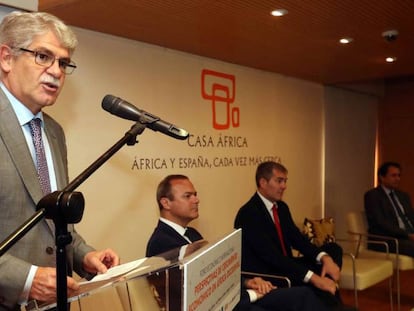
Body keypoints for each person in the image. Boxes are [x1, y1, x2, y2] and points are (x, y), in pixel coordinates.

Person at [0, 11, 119, 310]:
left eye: (63, 63)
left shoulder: (53, 132)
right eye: (43, 56)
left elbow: (53, 223)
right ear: (6, 58)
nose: (56, 71)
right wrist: (26, 279)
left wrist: (84, 256)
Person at [146, 174, 330, 311]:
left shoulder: (192, 233)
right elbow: (193, 297)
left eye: (195, 194)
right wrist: (250, 295)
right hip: (223, 305)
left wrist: (249, 282)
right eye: (188, 196)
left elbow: (214, 275)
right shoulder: (161, 244)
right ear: (166, 203)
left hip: (234, 298)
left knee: (303, 295)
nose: (196, 200)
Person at [234, 161, 350, 310]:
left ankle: (326, 293)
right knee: (315, 282)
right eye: (279, 181)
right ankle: (327, 297)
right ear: (263, 182)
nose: (284, 186)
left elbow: (299, 240)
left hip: (287, 264)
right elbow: (272, 257)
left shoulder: (281, 207)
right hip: (269, 274)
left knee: (333, 249)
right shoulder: (248, 213)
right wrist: (314, 278)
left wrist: (324, 258)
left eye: (285, 181)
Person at [364, 161, 414, 256]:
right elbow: (380, 222)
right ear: (382, 177)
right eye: (393, 176)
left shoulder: (403, 196)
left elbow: (411, 217)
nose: (397, 179)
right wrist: (407, 235)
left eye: (399, 175)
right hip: (388, 239)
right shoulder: (373, 195)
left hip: (408, 237)